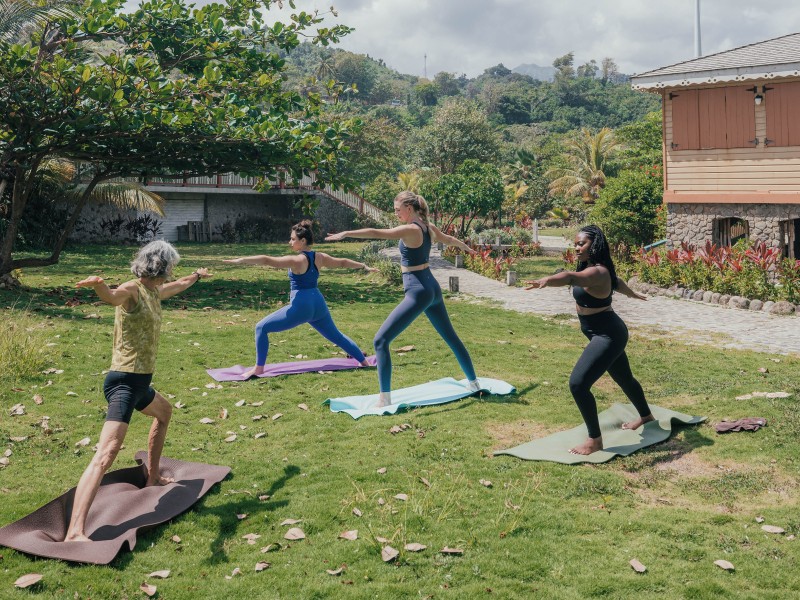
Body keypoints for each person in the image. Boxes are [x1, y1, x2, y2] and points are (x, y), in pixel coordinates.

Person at [65, 241, 210, 542]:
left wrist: (197, 275)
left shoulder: (155, 291)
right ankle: (75, 531)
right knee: (105, 454)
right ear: (161, 265)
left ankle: (153, 477)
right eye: (172, 265)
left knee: (164, 413)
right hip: (124, 381)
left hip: (140, 383)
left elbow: (180, 285)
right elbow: (112, 297)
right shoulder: (132, 289)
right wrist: (99, 285)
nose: (174, 271)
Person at [325, 191, 480, 407]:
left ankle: (384, 399)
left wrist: (347, 233)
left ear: (409, 208)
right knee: (451, 338)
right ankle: (474, 383)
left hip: (418, 291)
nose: (396, 213)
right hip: (432, 288)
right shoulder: (428, 227)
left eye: (398, 210)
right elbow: (449, 239)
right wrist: (466, 247)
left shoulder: (411, 229)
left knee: (380, 340)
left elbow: (377, 233)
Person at [525, 225, 654, 455]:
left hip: (608, 334)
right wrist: (631, 293)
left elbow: (570, 277)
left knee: (578, 384)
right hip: (602, 332)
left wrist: (547, 279)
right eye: (575, 244)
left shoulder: (598, 272)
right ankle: (646, 416)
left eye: (581, 244)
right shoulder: (595, 270)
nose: (576, 248)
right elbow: (617, 281)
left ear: (595, 245)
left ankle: (595, 440)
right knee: (624, 378)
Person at [223, 220, 376, 378]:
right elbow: (342, 263)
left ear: (303, 241)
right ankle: (364, 362)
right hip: (318, 304)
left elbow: (266, 259)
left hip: (302, 306)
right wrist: (363, 266)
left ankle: (258, 369)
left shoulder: (297, 260)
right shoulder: (320, 257)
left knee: (261, 328)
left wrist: (241, 260)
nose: (290, 242)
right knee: (336, 336)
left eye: (293, 239)